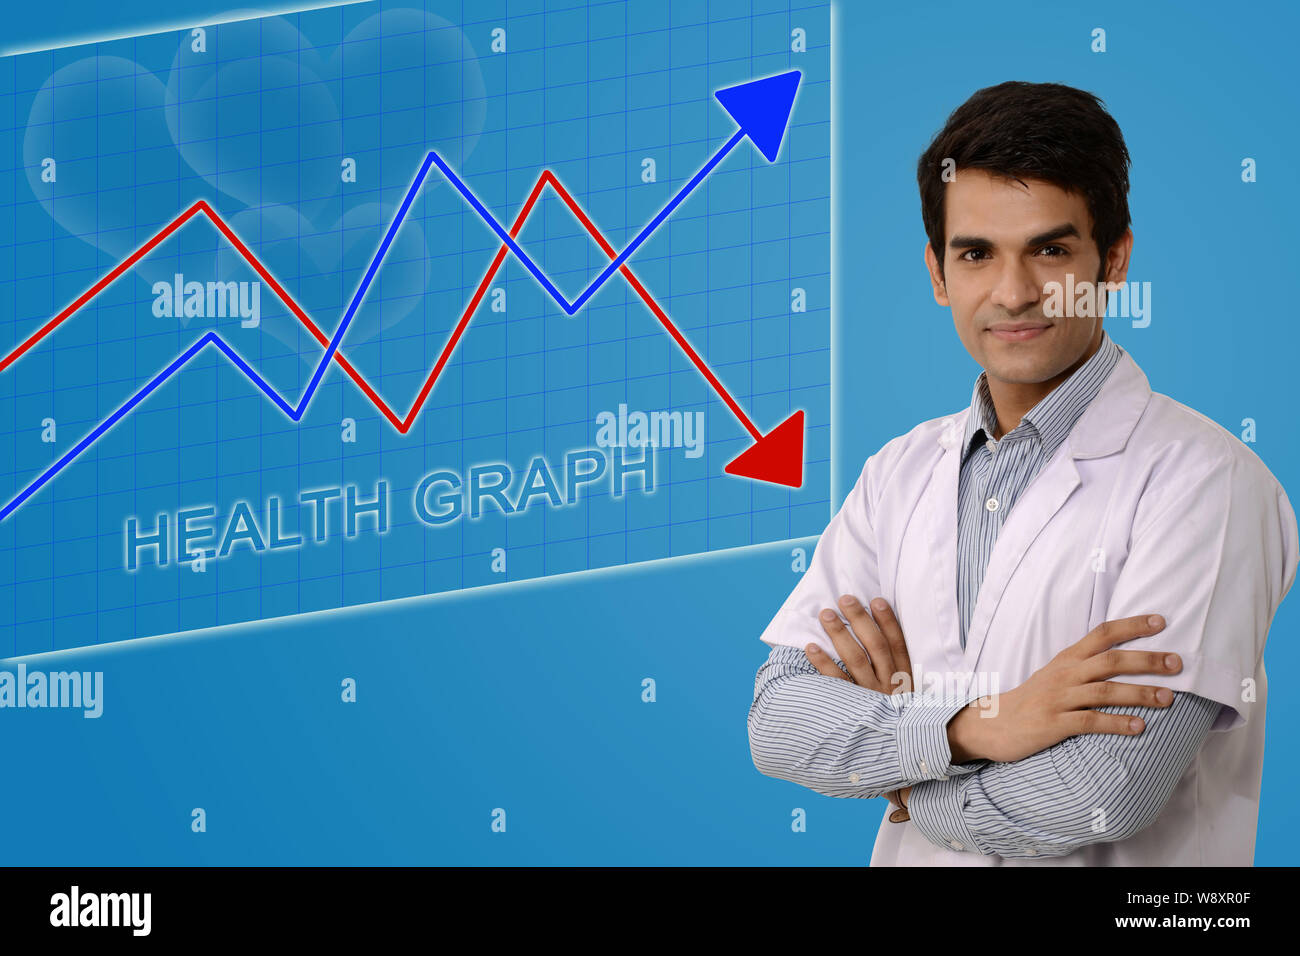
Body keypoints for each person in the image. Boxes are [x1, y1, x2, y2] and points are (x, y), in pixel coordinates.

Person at [747, 81, 1298, 865]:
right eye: (976, 254)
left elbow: (1109, 790)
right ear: (938, 274)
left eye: (1050, 250)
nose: (1013, 294)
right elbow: (778, 721)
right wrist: (976, 726)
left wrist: (912, 780)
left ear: (1114, 260)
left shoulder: (1207, 484)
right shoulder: (897, 474)